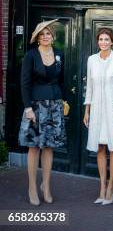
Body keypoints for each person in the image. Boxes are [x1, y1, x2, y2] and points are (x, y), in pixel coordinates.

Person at [18, 19, 66, 206]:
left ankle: (46, 186)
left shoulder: (60, 54)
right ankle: (32, 187)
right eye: (42, 34)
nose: (46, 36)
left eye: (48, 33)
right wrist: (28, 107)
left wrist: (63, 100)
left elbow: (61, 80)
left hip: (55, 104)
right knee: (34, 146)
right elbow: (25, 83)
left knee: (49, 146)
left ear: (53, 37)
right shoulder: (30, 56)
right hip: (36, 106)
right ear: (38, 38)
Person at [83, 28, 113, 205]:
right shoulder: (91, 60)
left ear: (112, 41)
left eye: (106, 39)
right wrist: (87, 110)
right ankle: (101, 187)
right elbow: (90, 87)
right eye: (100, 39)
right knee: (100, 147)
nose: (103, 42)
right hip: (97, 109)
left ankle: (111, 186)